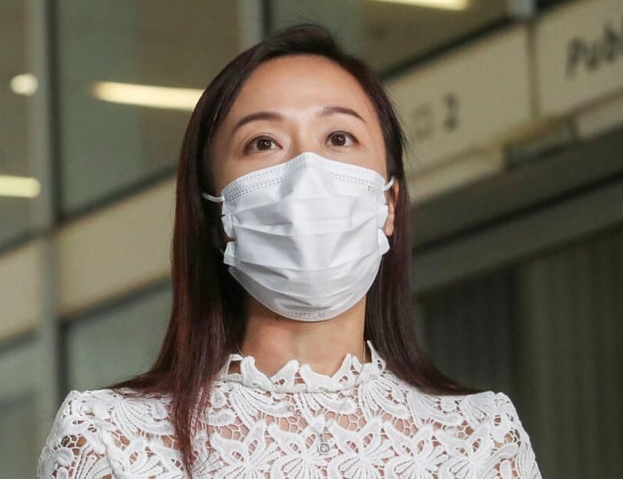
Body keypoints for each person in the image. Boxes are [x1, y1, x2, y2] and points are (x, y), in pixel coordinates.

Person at [37, 24, 541, 478]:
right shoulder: (111, 438)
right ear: (215, 216)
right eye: (263, 143)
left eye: (339, 137)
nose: (307, 174)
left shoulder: (479, 439)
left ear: (389, 202)